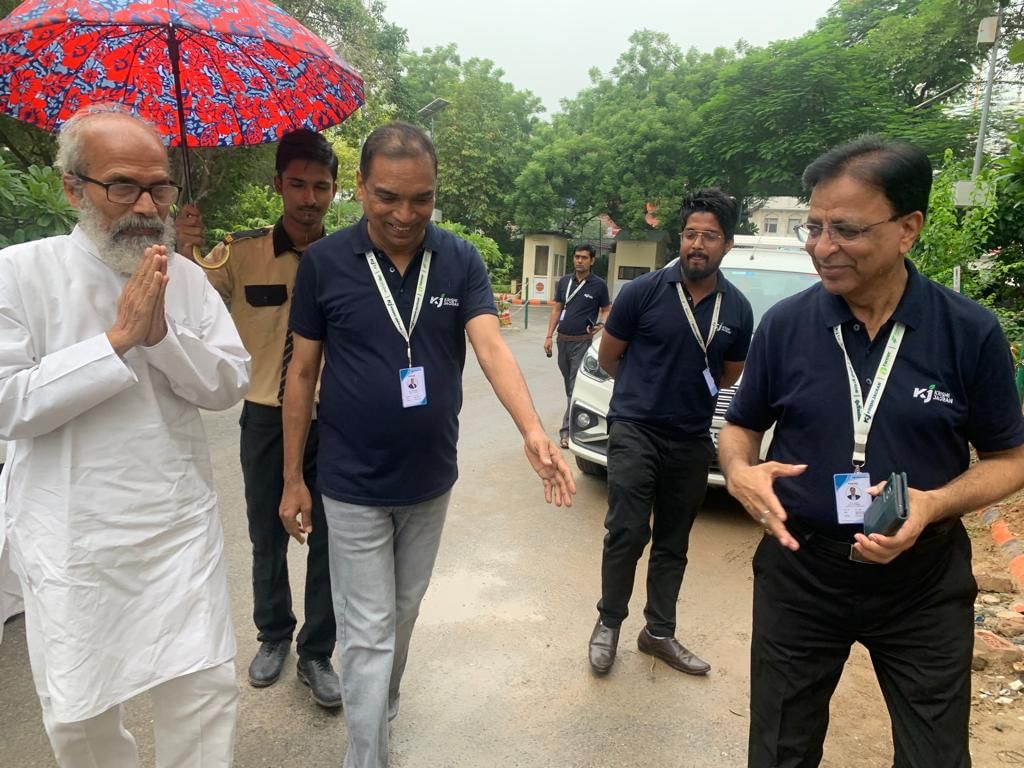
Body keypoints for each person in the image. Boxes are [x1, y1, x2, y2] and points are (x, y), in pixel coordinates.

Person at [718, 136, 1024, 768]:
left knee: (935, 757)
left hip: (922, 581)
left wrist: (935, 503)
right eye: (814, 226)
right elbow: (740, 426)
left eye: (847, 230)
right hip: (801, 570)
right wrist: (740, 472)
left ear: (908, 227)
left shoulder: (967, 332)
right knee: (779, 750)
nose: (822, 247)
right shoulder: (787, 325)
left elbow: (1011, 459)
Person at [279, 121, 576, 768]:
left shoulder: (460, 259)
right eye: (388, 196)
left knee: (402, 615)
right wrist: (292, 479)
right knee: (365, 630)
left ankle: (379, 702)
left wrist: (531, 427)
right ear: (359, 188)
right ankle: (368, 752)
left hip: (429, 478)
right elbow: (301, 373)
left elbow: (491, 344)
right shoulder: (327, 264)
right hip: (350, 481)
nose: (405, 214)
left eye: (422, 199)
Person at [0, 105, 250, 767]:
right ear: (72, 188)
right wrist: (115, 342)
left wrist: (164, 335)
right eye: (123, 187)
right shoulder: (19, 273)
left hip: (173, 529)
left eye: (158, 187)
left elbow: (228, 385)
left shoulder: (188, 280)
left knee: (204, 693)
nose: (146, 205)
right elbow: (8, 402)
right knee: (79, 715)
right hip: (72, 536)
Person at [197, 129, 341, 708]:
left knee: (332, 538)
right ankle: (273, 636)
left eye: (322, 187)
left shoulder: (351, 258)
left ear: (335, 191)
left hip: (334, 419)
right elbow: (185, 305)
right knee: (266, 533)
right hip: (264, 413)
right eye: (299, 185)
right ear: (278, 184)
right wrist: (181, 248)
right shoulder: (238, 253)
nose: (310, 199)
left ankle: (317, 651)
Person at [588, 189, 754, 676]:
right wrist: (645, 394)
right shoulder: (643, 292)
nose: (697, 244)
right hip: (636, 428)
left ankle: (657, 632)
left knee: (674, 541)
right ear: (679, 240)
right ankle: (608, 624)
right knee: (626, 529)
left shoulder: (737, 309)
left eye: (709, 236)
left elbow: (730, 373)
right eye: (690, 235)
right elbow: (608, 357)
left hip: (690, 438)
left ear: (727, 244)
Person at [544, 243, 610, 448]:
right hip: (562, 340)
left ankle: (567, 432)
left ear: (592, 261)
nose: (579, 260)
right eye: (577, 257)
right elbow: (557, 309)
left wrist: (601, 325)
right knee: (569, 387)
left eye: (584, 257)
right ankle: (575, 421)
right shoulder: (564, 282)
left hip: (582, 342)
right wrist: (548, 336)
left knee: (574, 387)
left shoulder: (598, 285)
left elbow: (606, 309)